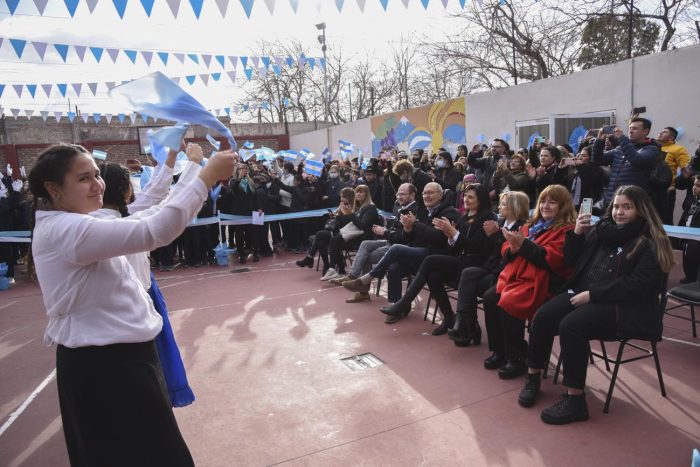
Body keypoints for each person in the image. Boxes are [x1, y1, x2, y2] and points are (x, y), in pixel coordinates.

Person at [28, 143, 234, 466]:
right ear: (53, 189)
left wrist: (195, 170)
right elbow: (156, 228)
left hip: (122, 361)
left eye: (97, 175)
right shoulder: (68, 230)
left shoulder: (82, 220)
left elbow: (152, 209)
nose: (97, 184)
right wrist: (205, 176)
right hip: (107, 370)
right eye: (84, 179)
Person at [518, 185, 674, 424]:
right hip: (586, 293)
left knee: (571, 325)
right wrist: (578, 234)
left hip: (627, 307)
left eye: (627, 207)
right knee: (543, 316)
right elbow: (571, 261)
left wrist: (594, 294)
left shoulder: (650, 241)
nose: (619, 212)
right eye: (617, 207)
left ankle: (575, 400)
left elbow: (638, 285)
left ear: (641, 210)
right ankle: (533, 377)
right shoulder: (602, 231)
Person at [482, 185, 576, 379]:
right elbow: (506, 249)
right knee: (490, 297)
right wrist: (514, 247)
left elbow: (554, 260)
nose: (546, 205)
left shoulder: (567, 229)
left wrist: (522, 245)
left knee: (509, 301)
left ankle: (516, 358)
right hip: (520, 277)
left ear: (563, 205)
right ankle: (501, 351)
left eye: (552, 201)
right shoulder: (533, 225)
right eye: (543, 201)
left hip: (546, 282)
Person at [380, 183, 497, 335]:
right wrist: (451, 236)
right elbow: (453, 247)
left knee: (430, 260)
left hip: (476, 264)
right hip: (461, 261)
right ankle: (449, 317)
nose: (466, 200)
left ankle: (404, 302)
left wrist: (453, 233)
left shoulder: (487, 217)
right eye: (465, 196)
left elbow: (478, 248)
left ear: (480, 199)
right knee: (433, 275)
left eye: (471, 197)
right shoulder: (464, 218)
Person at [342, 182, 461, 323]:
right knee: (394, 267)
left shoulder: (447, 212)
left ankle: (367, 278)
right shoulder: (422, 211)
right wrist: (408, 229)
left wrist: (412, 225)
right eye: (425, 193)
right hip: (419, 253)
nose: (426, 196)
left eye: (431, 193)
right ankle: (397, 307)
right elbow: (411, 237)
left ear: (440, 195)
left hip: (435, 257)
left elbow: (437, 238)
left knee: (396, 248)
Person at [448, 191, 531, 347]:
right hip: (492, 267)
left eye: (504, 204)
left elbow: (509, 255)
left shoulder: (521, 227)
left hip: (508, 272)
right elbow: (490, 250)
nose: (499, 206)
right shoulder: (499, 223)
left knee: (476, 288)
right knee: (468, 273)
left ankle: (472, 330)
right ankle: (463, 323)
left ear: (515, 206)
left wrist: (494, 236)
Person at [334, 183, 420, 303]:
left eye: (403, 194)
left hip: (399, 245)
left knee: (363, 255)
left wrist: (384, 232)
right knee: (364, 244)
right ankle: (353, 277)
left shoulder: (415, 210)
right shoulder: (397, 206)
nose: (399, 196)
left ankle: (362, 289)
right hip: (388, 239)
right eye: (398, 193)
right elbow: (394, 228)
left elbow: (404, 237)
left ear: (412, 195)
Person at [591, 118, 660, 209]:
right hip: (612, 200)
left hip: (632, 202)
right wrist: (599, 141)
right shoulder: (620, 148)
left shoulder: (651, 149)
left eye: (635, 128)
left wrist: (622, 138)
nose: (630, 131)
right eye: (630, 128)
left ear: (645, 131)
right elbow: (597, 161)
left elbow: (636, 160)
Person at [295, 187, 356, 276]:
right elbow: (338, 216)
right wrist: (333, 216)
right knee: (321, 243)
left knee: (319, 234)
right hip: (335, 230)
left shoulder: (351, 207)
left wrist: (339, 217)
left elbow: (349, 222)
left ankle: (310, 258)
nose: (341, 198)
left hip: (344, 233)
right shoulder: (342, 204)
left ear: (348, 197)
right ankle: (327, 266)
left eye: (343, 196)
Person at [657, 126, 690, 224]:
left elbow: (686, 168)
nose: (661, 133)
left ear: (671, 138)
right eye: (661, 131)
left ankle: (667, 239)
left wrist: (673, 184)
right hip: (649, 188)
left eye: (665, 132)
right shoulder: (652, 147)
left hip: (666, 190)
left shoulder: (678, 149)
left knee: (664, 221)